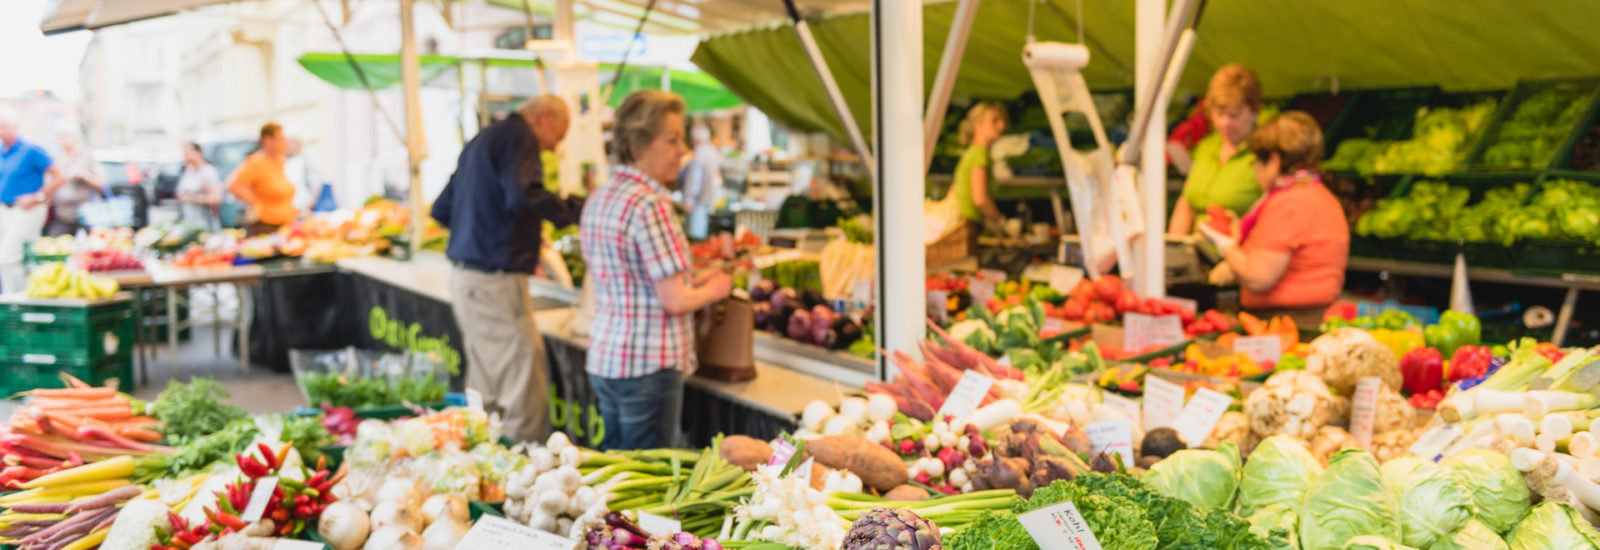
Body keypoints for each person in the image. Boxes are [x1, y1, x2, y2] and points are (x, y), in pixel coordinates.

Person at [581, 90, 732, 451]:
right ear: (638, 143)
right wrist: (717, 288)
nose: (682, 151)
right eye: (672, 140)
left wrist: (693, 280)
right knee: (648, 472)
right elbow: (675, 300)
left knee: (617, 469)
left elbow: (633, 279)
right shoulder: (651, 206)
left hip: (606, 357)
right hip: (647, 366)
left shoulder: (601, 197)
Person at [431, 95, 583, 444]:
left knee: (486, 385)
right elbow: (522, 194)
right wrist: (574, 210)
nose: (555, 147)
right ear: (544, 116)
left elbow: (441, 209)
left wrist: (495, 226)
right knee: (522, 384)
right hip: (495, 281)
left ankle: (484, 459)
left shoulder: (482, 139)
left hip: (466, 278)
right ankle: (523, 464)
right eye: (559, 135)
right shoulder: (519, 136)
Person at [1198, 112, 1348, 326]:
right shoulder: (1320, 194)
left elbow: (1257, 278)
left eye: (1256, 163)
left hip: (1286, 323)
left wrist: (1224, 244)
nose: (1255, 171)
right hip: (1315, 316)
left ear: (1274, 161)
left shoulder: (1288, 204)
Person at [1168, 64, 1265, 236]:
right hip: (1195, 247)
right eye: (1219, 114)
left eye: (1233, 115)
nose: (1224, 123)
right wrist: (1174, 243)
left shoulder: (1264, 153)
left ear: (1254, 111)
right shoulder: (1206, 147)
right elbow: (1187, 203)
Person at [0, 108, 63, 293]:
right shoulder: (2, 152)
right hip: (6, 210)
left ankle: (14, 301)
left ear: (15, 127)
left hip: (27, 211)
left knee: (8, 258)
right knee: (16, 257)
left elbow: (59, 177)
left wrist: (38, 197)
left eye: (4, 127)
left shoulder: (31, 150)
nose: (1, 131)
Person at [947, 102, 1008, 242]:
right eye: (995, 121)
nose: (1002, 126)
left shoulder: (971, 152)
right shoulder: (980, 154)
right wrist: (1003, 224)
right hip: (967, 226)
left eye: (1002, 120)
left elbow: (954, 190)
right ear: (977, 126)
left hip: (958, 224)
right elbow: (980, 199)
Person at [228, 123, 297, 235]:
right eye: (281, 139)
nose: (285, 143)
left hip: (284, 224)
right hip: (264, 226)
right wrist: (255, 202)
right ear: (268, 141)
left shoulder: (283, 161)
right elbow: (232, 185)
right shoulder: (257, 162)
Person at [44, 130, 103, 236]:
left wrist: (85, 176)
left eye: (66, 136)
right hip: (62, 214)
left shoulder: (87, 156)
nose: (63, 140)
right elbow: (49, 183)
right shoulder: (56, 158)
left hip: (85, 213)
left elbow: (101, 184)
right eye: (60, 137)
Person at [680, 125, 721, 240]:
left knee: (696, 235)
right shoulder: (713, 151)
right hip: (708, 197)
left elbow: (695, 179)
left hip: (697, 200)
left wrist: (689, 200)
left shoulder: (699, 154)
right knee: (702, 230)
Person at [176, 142, 223, 231]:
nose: (185, 156)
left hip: (206, 225)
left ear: (199, 153)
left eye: (188, 153)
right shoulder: (188, 172)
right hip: (190, 225)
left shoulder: (208, 172)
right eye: (184, 153)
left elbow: (216, 198)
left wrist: (192, 198)